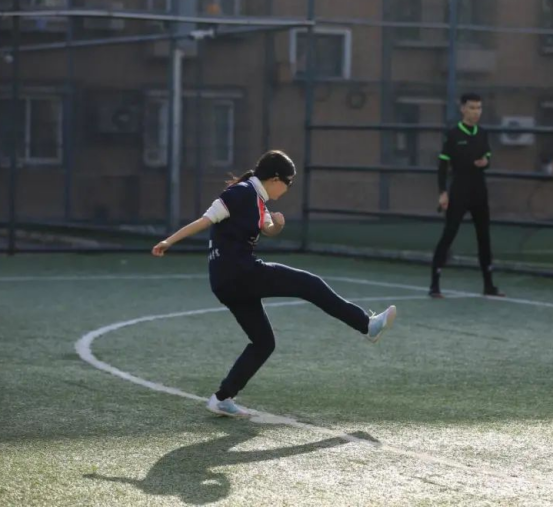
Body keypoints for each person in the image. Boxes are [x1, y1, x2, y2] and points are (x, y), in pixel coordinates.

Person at [152, 150, 396, 418]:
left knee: (263, 342)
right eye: (289, 183)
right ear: (275, 179)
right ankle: (366, 325)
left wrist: (277, 225)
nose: (288, 188)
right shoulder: (240, 193)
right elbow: (205, 220)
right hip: (239, 273)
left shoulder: (258, 200)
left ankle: (222, 398)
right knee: (309, 284)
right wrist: (168, 241)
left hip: (226, 282)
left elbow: (268, 228)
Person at [429, 93, 504, 299]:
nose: (476, 112)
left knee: (484, 237)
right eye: (472, 108)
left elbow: (487, 156)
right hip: (459, 191)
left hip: (479, 191)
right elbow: (443, 166)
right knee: (449, 234)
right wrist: (442, 192)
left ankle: (489, 285)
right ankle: (434, 285)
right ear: (463, 109)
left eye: (479, 108)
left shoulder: (483, 134)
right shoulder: (453, 134)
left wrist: (485, 162)